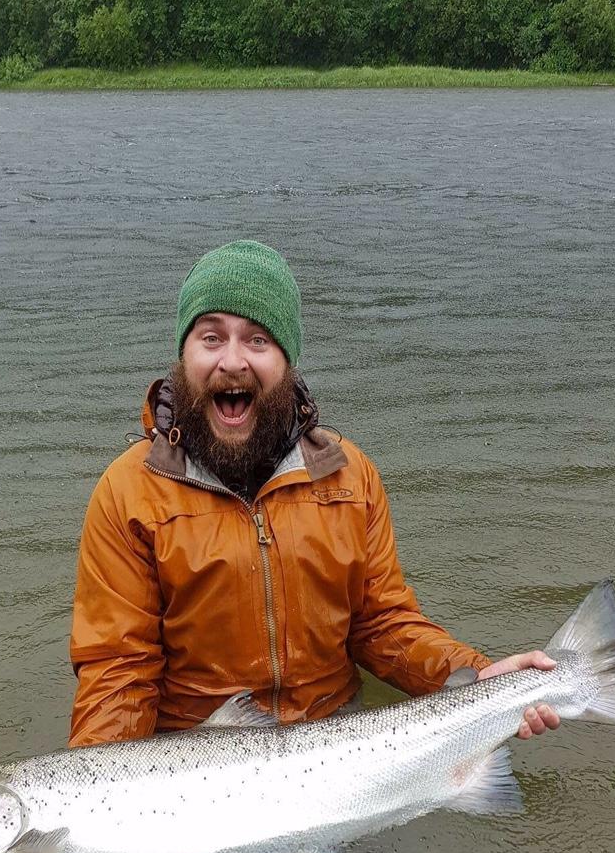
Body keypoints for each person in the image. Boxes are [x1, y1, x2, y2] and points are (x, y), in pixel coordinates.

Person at [69, 239, 560, 749]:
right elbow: (119, 674)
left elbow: (381, 624)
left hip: (337, 742)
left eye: (258, 340)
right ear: (183, 354)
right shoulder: (128, 493)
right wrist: (90, 788)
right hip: (195, 763)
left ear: (288, 360)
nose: (232, 361)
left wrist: (478, 678)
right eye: (210, 337)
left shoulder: (349, 476)